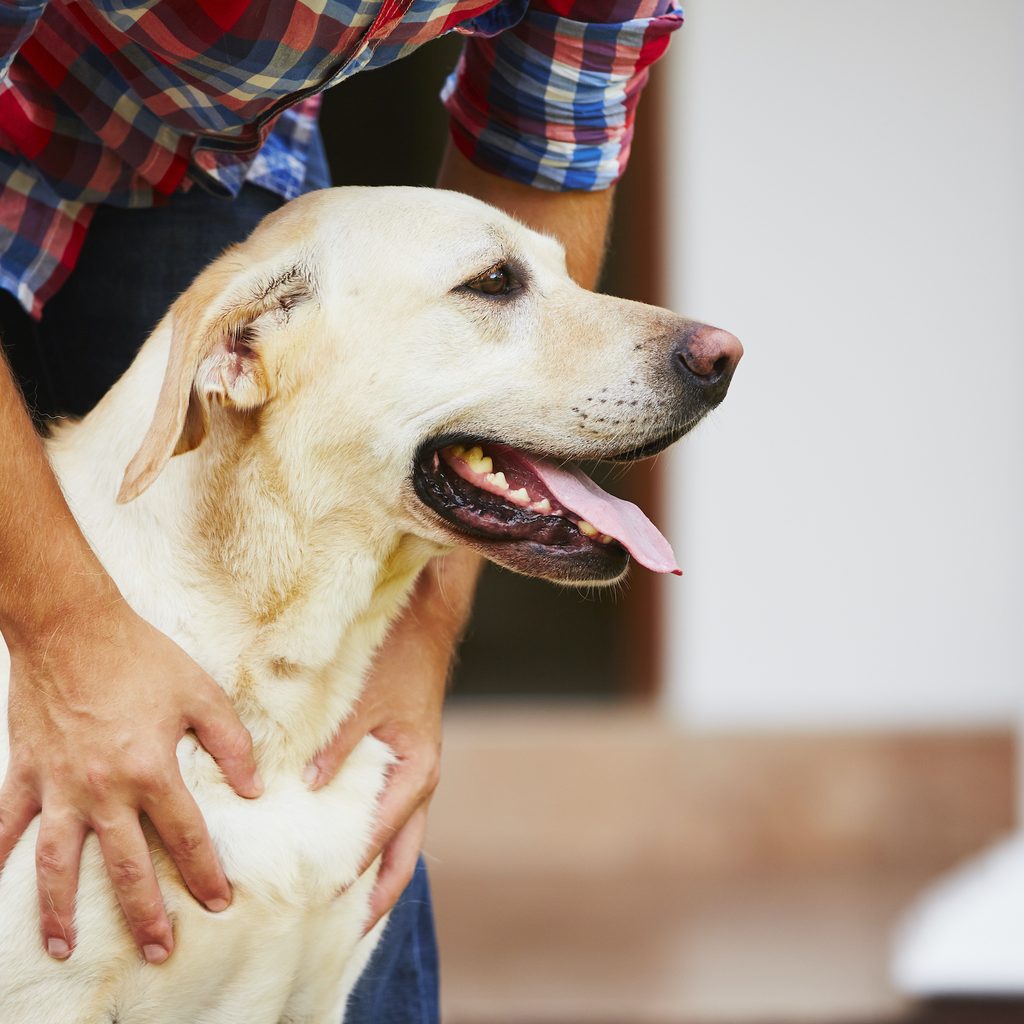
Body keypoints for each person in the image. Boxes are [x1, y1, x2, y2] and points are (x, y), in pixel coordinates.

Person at [0, 0, 683, 1018]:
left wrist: (418, 633)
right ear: (235, 350)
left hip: (211, 152)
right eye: (490, 284)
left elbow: (547, 158)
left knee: (361, 805)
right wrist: (69, 634)